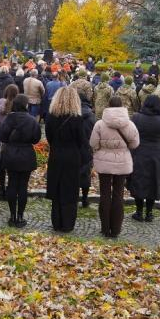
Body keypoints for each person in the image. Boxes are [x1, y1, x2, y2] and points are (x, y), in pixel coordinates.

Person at [90, 95, 140, 238]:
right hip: (123, 161)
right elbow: (135, 144)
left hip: (103, 161)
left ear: (108, 106)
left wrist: (103, 148)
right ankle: (116, 229)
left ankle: (105, 228)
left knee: (104, 194)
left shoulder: (99, 124)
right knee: (118, 195)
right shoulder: (130, 124)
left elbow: (93, 143)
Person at [45, 86, 89, 232]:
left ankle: (56, 222)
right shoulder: (77, 119)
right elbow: (82, 141)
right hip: (72, 157)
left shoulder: (51, 116)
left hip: (56, 155)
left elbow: (49, 138)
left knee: (56, 189)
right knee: (69, 190)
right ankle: (68, 223)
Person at [0, 94, 42, 228]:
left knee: (12, 184)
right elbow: (36, 139)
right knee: (23, 186)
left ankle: (12, 216)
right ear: (26, 105)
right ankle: (20, 215)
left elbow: (3, 137)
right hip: (26, 154)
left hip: (11, 154)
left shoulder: (8, 119)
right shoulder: (32, 120)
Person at [129, 95, 160, 222]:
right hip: (156, 152)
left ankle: (139, 211)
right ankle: (149, 213)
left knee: (139, 180)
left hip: (139, 151)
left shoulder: (136, 117)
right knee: (154, 180)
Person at [0, 84, 19, 199]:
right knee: (11, 165)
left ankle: (2, 189)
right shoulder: (17, 105)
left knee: (1, 163)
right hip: (12, 137)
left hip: (0, 135)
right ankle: (10, 189)